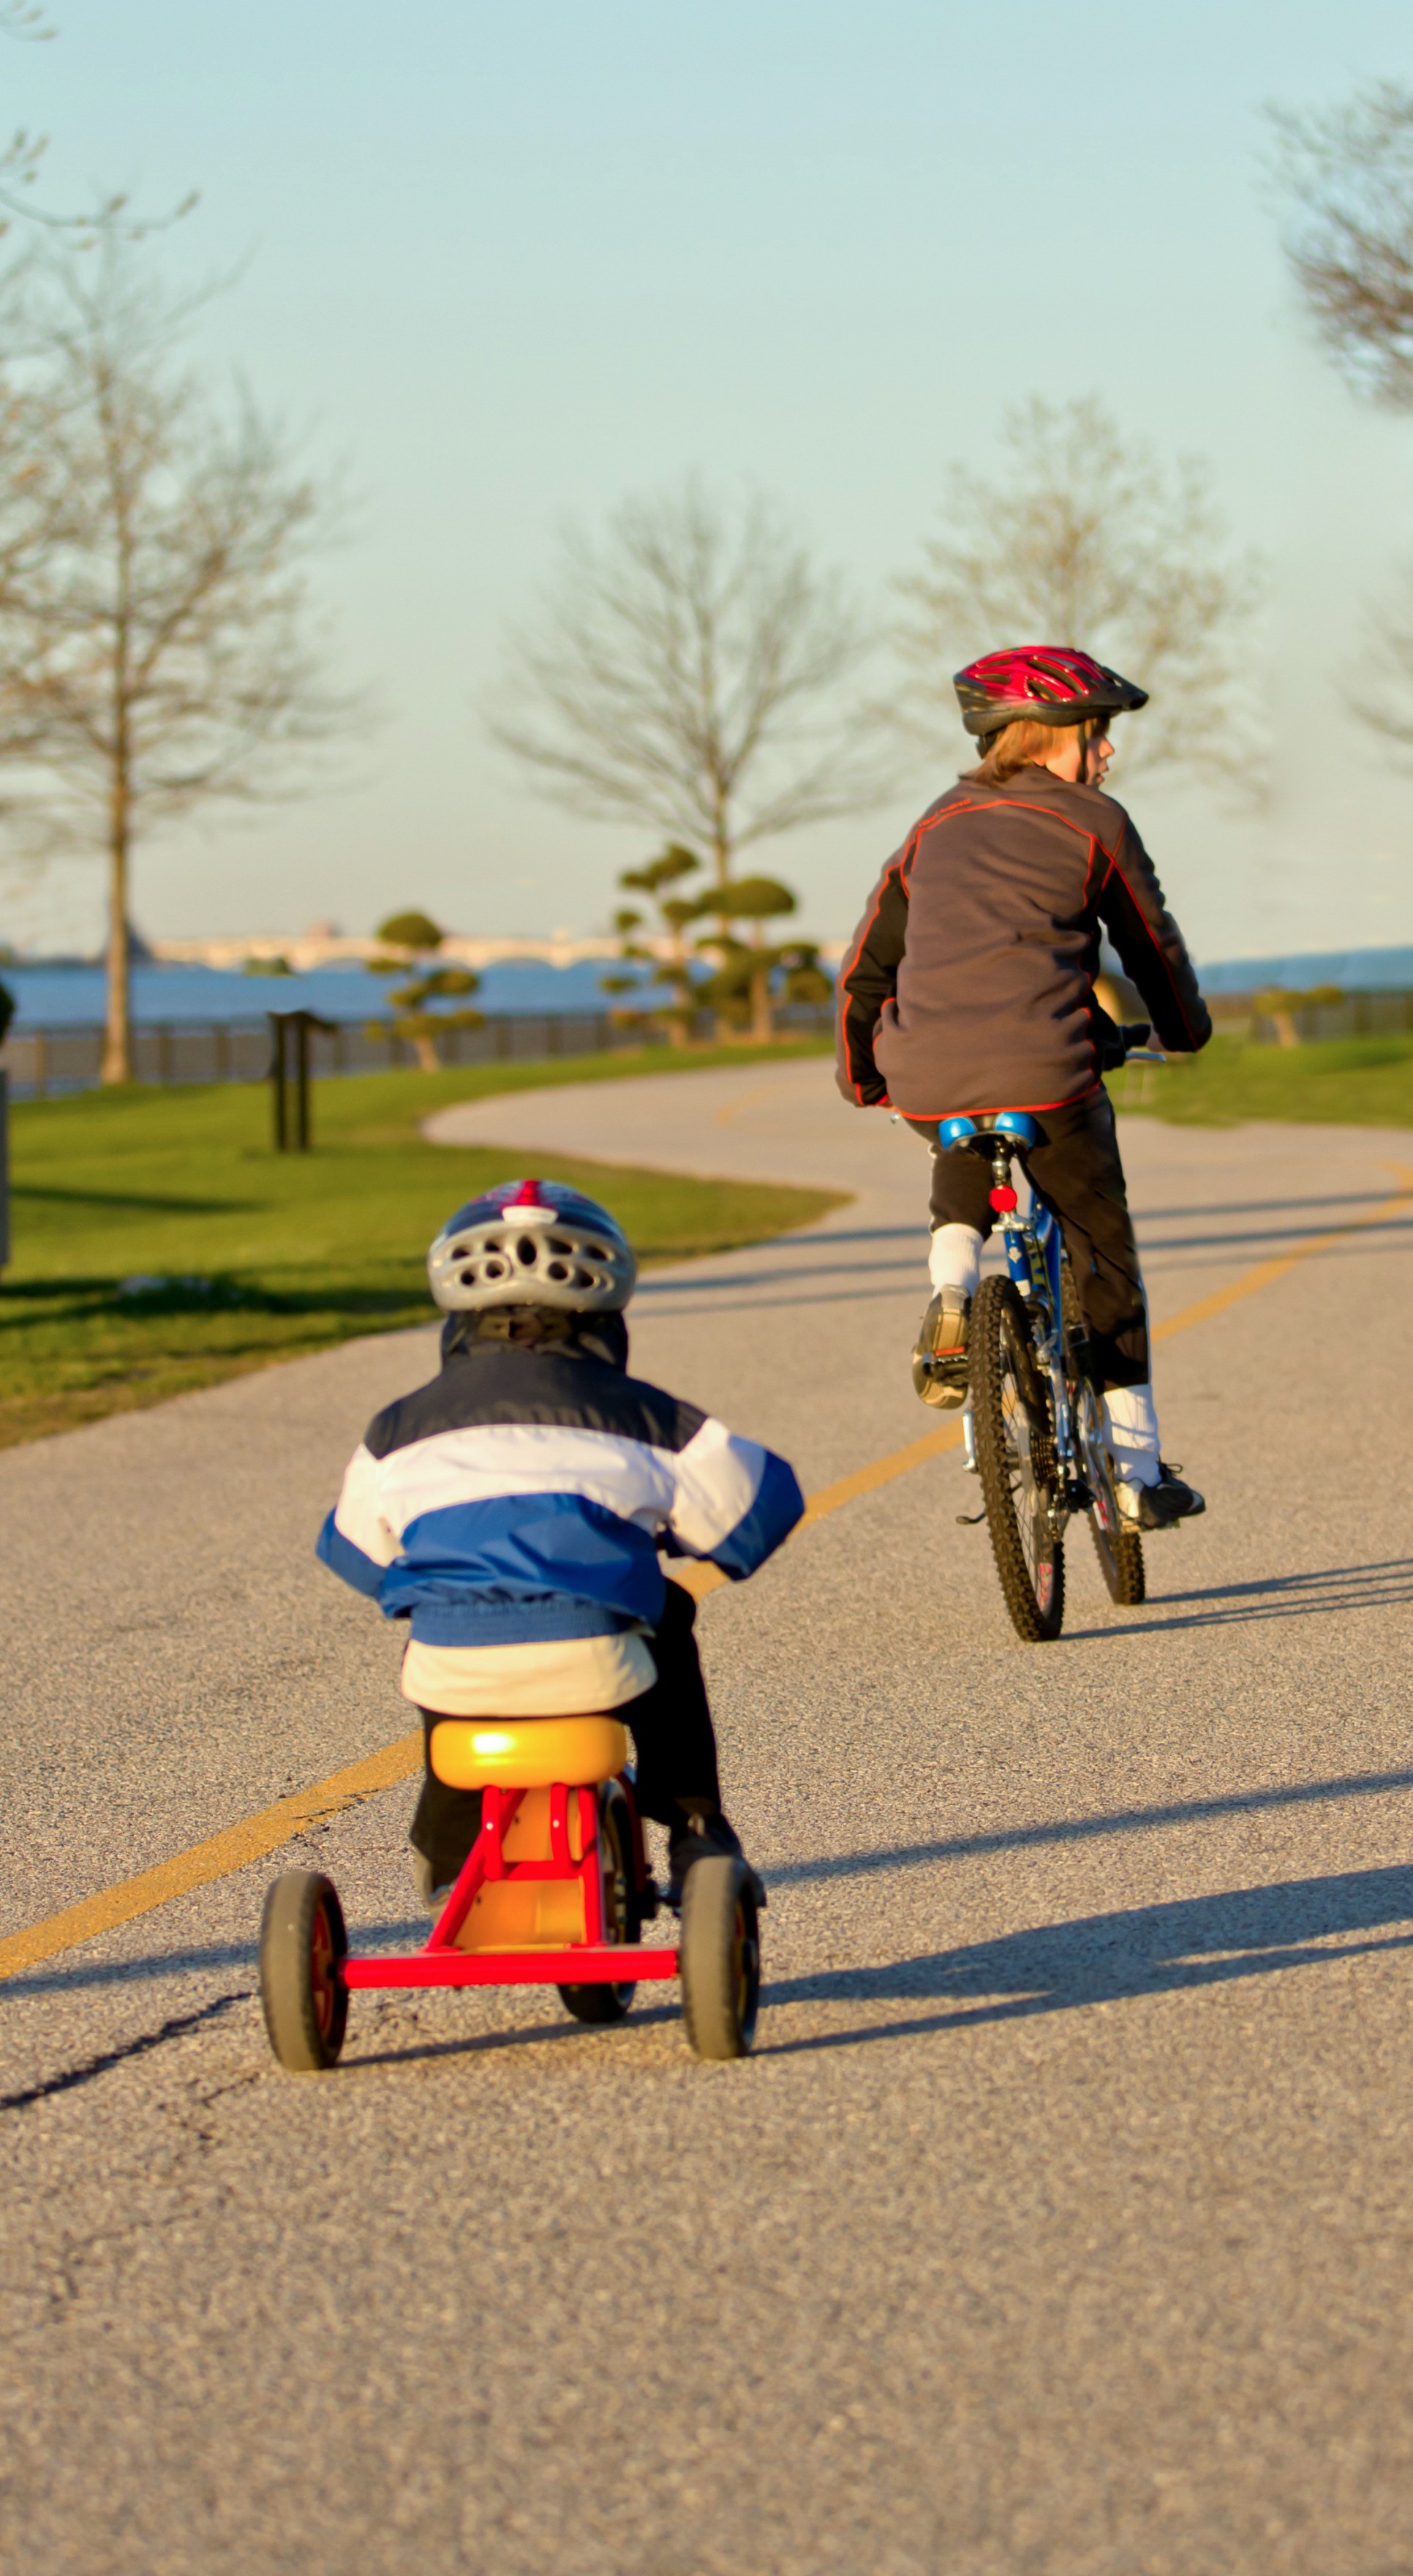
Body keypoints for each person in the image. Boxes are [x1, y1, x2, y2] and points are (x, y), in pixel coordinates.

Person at [315, 1175, 803, 1904]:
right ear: (607, 1311)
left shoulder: (396, 1428)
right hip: (596, 1657)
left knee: (439, 1613)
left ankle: (448, 1847)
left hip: (454, 1675)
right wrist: (663, 1530)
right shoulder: (648, 1419)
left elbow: (361, 1556)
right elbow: (758, 1511)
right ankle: (697, 1825)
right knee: (667, 1610)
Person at [836, 642, 1213, 1531]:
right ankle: (1136, 1468)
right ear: (1045, 737)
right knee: (1100, 1245)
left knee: (963, 1126)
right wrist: (1182, 1031)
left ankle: (957, 1280)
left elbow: (867, 965)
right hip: (1047, 1065)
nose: (1109, 753)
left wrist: (864, 1075)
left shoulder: (931, 825)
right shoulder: (1097, 822)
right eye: (1098, 733)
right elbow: (1149, 946)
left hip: (926, 1069)